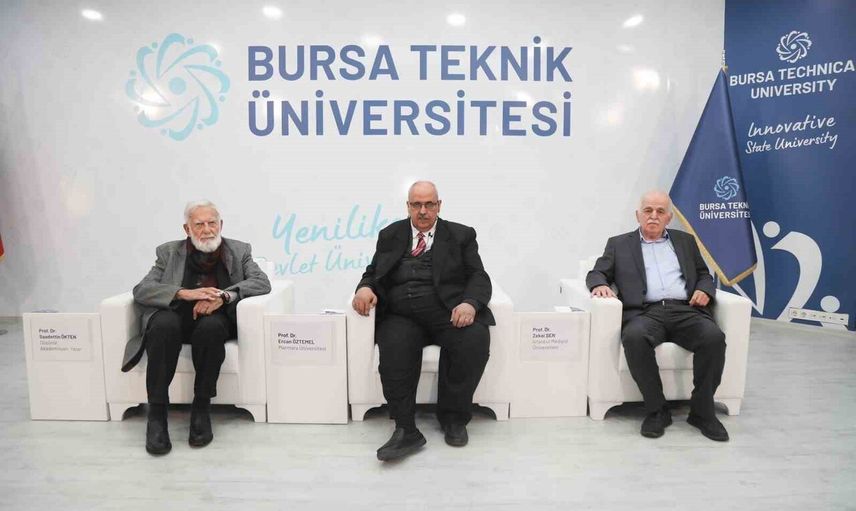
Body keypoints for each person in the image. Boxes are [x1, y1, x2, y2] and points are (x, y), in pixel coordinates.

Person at [352, 181, 494, 461]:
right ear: (408, 206)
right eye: (416, 204)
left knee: (474, 339)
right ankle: (405, 429)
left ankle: (454, 418)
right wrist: (364, 287)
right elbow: (373, 271)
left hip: (446, 311)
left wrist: (469, 303)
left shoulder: (461, 235)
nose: (423, 211)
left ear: (439, 205)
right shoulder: (391, 234)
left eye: (429, 204)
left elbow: (478, 275)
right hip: (402, 314)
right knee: (394, 347)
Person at [124, 200, 271, 455]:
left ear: (221, 224)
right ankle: (157, 415)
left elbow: (261, 282)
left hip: (215, 319)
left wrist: (224, 296)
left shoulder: (239, 250)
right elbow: (142, 289)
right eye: (199, 224)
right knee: (163, 324)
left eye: (212, 223)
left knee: (211, 328)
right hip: (176, 317)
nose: (207, 230)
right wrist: (183, 293)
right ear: (187, 229)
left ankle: (201, 408)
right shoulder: (168, 252)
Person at [586, 190, 729, 441]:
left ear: (668, 218)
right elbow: (597, 273)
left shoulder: (685, 241)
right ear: (638, 215)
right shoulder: (619, 244)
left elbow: (703, 274)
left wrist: (704, 290)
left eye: (660, 211)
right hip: (645, 312)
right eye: (648, 210)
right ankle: (657, 410)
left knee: (714, 338)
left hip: (686, 310)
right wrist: (599, 284)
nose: (653, 216)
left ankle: (702, 412)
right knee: (634, 337)